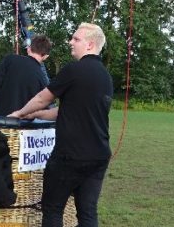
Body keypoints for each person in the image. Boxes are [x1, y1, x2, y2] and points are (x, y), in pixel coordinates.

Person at [8, 23, 113, 227]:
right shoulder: (105, 76)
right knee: (87, 213)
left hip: (70, 156)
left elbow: (42, 98)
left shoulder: (74, 70)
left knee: (53, 209)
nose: (70, 42)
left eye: (76, 39)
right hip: (98, 156)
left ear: (90, 44)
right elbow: (67, 111)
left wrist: (19, 113)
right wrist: (37, 115)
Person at [0, 34, 52, 116]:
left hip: (1, 121)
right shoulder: (43, 79)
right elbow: (43, 108)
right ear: (46, 56)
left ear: (28, 49)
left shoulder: (10, 60)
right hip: (26, 126)